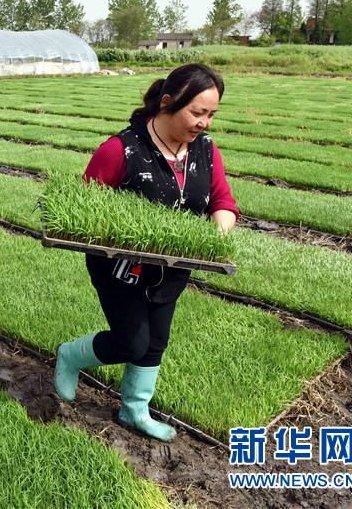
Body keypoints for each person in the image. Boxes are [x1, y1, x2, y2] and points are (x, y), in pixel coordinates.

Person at [53, 63, 238, 442]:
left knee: (156, 340)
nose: (205, 123)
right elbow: (82, 208)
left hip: (172, 270)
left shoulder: (205, 151)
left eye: (212, 115)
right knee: (130, 341)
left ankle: (134, 409)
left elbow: (222, 201)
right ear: (167, 103)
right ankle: (71, 355)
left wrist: (215, 236)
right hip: (120, 271)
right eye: (197, 113)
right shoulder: (120, 149)